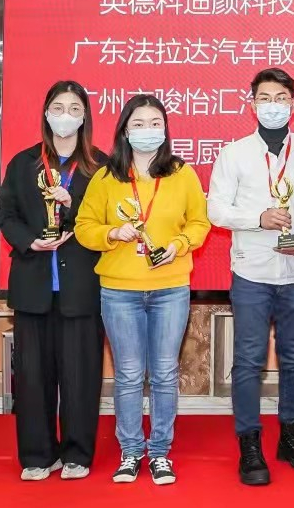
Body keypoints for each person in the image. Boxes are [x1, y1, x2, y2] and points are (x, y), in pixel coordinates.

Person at [74, 93, 212, 486]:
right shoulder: (106, 177)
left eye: (155, 123)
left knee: (165, 373)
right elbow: (84, 227)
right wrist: (112, 233)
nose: (147, 130)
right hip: (119, 291)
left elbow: (199, 223)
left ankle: (160, 452)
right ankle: (131, 451)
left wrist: (179, 245)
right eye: (138, 123)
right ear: (124, 130)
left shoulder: (181, 173)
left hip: (170, 288)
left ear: (165, 130)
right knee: (130, 374)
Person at [208, 67, 294, 485]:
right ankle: (250, 444)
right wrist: (258, 218)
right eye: (265, 98)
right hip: (252, 272)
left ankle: (290, 436)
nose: (273, 106)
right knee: (249, 359)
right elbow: (216, 210)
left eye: (281, 99)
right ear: (251, 103)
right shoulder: (234, 153)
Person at [0, 80, 107, 481]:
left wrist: (72, 205)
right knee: (33, 376)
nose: (65, 115)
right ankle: (38, 455)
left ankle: (77, 452)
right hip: (34, 284)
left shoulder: (101, 166)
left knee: (81, 375)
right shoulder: (23, 163)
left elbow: (107, 220)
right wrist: (31, 241)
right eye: (58, 107)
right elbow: (7, 214)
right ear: (46, 113)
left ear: (85, 116)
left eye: (74, 108)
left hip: (82, 286)